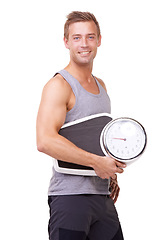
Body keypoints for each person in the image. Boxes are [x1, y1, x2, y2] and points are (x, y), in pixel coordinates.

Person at [36, 11, 126, 240]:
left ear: (99, 40)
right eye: (76, 38)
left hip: (102, 198)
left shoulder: (102, 86)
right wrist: (98, 163)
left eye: (90, 37)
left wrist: (111, 172)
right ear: (66, 42)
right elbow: (45, 140)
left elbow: (95, 137)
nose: (84, 44)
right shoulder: (59, 85)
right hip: (70, 198)